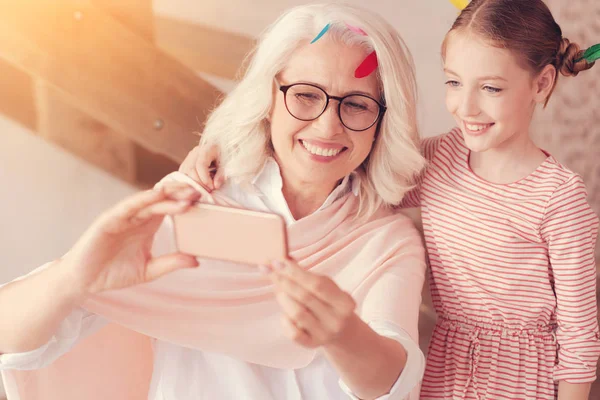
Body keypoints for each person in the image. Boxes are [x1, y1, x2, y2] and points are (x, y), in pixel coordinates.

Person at [0, 4, 430, 400]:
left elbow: (393, 382)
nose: (327, 126)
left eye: (356, 104)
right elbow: (10, 336)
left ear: (383, 121)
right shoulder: (193, 202)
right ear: (269, 99)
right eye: (305, 95)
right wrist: (72, 277)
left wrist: (345, 336)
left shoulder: (385, 241)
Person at [181, 1, 600, 399]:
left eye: (490, 87)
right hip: (446, 367)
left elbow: (580, 335)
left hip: (523, 378)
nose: (465, 106)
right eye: (453, 82)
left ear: (541, 83)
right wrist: (223, 149)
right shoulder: (441, 159)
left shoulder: (559, 199)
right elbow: (337, 158)